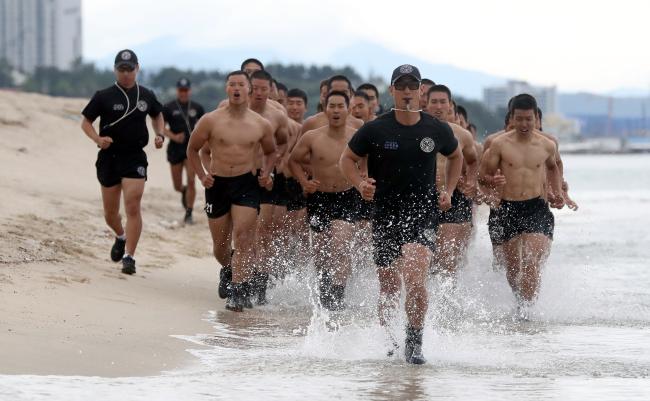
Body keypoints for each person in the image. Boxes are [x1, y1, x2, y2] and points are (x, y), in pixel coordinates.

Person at [340, 64, 462, 364]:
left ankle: (414, 340)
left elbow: (456, 156)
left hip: (422, 213)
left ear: (420, 91)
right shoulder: (375, 128)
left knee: (416, 276)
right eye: (401, 85)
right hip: (385, 213)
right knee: (390, 287)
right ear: (392, 89)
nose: (407, 91)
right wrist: (359, 185)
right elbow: (347, 159)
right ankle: (390, 341)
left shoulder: (435, 128)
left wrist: (448, 190)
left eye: (413, 85)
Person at [186, 71, 277, 312]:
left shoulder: (261, 124)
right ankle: (228, 267)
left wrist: (267, 173)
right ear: (227, 89)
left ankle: (238, 291)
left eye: (241, 85)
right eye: (232, 84)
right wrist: (202, 175)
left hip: (246, 184)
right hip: (217, 185)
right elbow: (192, 149)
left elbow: (271, 152)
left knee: (244, 239)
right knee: (220, 246)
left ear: (249, 90)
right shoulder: (210, 120)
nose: (236, 89)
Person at [81, 49, 164, 275]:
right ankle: (120, 235)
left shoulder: (146, 94)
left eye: (130, 69)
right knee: (110, 213)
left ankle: (129, 256)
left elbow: (157, 115)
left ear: (137, 68)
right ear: (115, 70)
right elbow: (86, 122)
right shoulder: (103, 95)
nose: (126, 74)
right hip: (109, 157)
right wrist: (97, 139)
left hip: (135, 156)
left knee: (133, 205)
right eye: (122, 69)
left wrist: (160, 134)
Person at [480, 94, 564, 317]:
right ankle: (520, 303)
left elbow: (554, 168)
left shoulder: (547, 145)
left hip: (536, 208)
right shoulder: (499, 145)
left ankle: (528, 313)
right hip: (507, 210)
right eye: (520, 119)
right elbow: (481, 176)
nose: (524, 124)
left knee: (530, 260)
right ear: (512, 118)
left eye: (529, 119)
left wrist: (556, 192)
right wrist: (492, 183)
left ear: (536, 118)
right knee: (513, 268)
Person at [289, 91, 359, 310]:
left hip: (347, 195)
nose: (336, 110)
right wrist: (304, 181)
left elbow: (369, 159)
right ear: (324, 108)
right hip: (320, 197)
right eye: (332, 106)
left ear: (348, 110)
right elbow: (293, 160)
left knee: (341, 244)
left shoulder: (357, 136)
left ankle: (338, 293)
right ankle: (325, 284)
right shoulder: (312, 136)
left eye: (340, 106)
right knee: (320, 250)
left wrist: (362, 178)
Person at [426, 85, 479, 279]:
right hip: (423, 197)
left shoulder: (462, 135)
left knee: (446, 258)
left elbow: (473, 161)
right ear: (426, 104)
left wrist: (471, 181)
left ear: (450, 105)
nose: (438, 106)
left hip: (453, 198)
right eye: (434, 102)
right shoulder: (414, 131)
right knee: (425, 259)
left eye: (443, 102)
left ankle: (448, 304)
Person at [162, 77, 205, 224]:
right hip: (175, 149)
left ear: (190, 91)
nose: (183, 93)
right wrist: (173, 136)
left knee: (192, 180)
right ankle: (184, 191)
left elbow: (204, 127)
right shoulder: (168, 107)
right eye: (181, 90)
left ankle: (189, 213)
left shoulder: (197, 108)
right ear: (177, 91)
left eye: (186, 90)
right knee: (177, 185)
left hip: (191, 149)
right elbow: (160, 127)